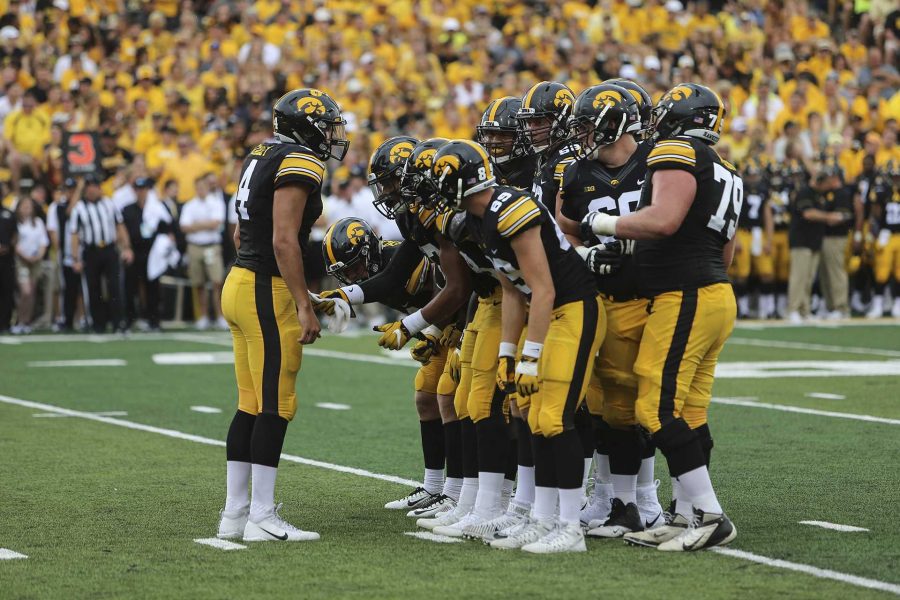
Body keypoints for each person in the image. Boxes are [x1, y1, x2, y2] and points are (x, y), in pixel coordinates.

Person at [584, 83, 740, 551]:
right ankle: (687, 513)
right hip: (714, 294)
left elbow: (664, 220)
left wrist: (602, 225)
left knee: (653, 407)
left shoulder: (677, 151)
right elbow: (726, 250)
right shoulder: (725, 166)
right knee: (688, 410)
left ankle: (710, 515)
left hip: (686, 294)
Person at [429, 139, 603, 553]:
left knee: (554, 416)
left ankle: (569, 526)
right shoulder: (476, 219)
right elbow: (511, 290)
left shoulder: (510, 211)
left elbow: (542, 290)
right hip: (545, 311)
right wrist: (507, 355)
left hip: (572, 309)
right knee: (529, 413)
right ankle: (542, 519)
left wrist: (530, 357)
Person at [216, 88, 348, 543]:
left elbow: (240, 230)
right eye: (328, 124)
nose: (334, 134)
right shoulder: (301, 161)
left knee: (250, 403)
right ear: (307, 125)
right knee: (276, 404)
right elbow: (284, 240)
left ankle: (234, 514)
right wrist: (301, 301)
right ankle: (261, 516)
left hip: (239, 282)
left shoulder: (262, 151)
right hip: (262, 289)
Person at [557, 81, 663, 539]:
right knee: (614, 408)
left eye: (586, 125)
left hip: (659, 296)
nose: (579, 135)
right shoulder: (577, 175)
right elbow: (565, 232)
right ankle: (626, 502)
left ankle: (667, 499)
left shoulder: (660, 161)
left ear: (613, 124)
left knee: (663, 404)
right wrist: (585, 255)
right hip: (608, 298)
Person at [321, 215, 460, 519]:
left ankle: (460, 491)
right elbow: (381, 285)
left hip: (461, 321)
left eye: (356, 266)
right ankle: (434, 487)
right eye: (346, 273)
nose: (354, 275)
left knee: (455, 400)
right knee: (426, 396)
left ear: (369, 249)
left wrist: (430, 331)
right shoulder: (391, 261)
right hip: (438, 326)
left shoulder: (404, 256)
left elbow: (452, 287)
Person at [69, 173, 134, 333]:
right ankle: (99, 324)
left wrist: (127, 248)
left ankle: (119, 322)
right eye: (89, 187)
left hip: (110, 249)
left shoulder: (109, 204)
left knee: (115, 286)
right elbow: (75, 235)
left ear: (99, 188)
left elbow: (120, 226)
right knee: (93, 288)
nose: (92, 190)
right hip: (91, 251)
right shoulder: (79, 208)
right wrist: (75, 257)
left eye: (95, 187)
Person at [787, 165, 848, 322]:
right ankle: (793, 309)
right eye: (827, 183)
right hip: (802, 240)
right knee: (799, 277)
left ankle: (805, 310)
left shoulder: (818, 195)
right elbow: (808, 213)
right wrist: (829, 217)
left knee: (808, 278)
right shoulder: (805, 192)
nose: (829, 186)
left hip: (814, 241)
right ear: (820, 182)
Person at [121, 177, 173, 330]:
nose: (141, 192)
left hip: (152, 253)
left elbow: (167, 227)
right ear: (134, 191)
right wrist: (126, 248)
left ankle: (154, 320)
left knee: (153, 288)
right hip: (134, 251)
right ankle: (130, 320)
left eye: (143, 189)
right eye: (138, 189)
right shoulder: (128, 209)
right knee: (131, 287)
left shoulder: (156, 207)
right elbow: (122, 230)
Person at [180, 173, 227, 330]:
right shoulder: (189, 205)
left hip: (212, 246)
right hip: (195, 246)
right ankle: (204, 316)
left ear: (207, 187)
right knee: (198, 283)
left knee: (216, 282)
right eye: (198, 187)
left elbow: (216, 224)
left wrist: (196, 225)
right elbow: (184, 227)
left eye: (203, 187)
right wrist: (205, 225)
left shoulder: (216, 203)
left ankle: (220, 316)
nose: (200, 190)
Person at [817, 164, 855, 318]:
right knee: (825, 274)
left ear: (835, 177)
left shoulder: (843, 194)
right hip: (825, 236)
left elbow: (842, 217)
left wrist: (825, 218)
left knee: (836, 272)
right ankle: (831, 305)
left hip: (837, 237)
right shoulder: (828, 193)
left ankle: (841, 307)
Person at [46, 178, 83, 331]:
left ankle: (81, 318)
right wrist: (58, 248)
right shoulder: (58, 206)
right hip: (65, 253)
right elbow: (54, 228)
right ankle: (62, 317)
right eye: (68, 189)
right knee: (64, 287)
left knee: (80, 287)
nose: (71, 192)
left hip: (81, 252)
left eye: (73, 189)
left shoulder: (82, 205)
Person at [867, 161, 900, 318]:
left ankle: (898, 303)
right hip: (886, 234)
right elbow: (875, 213)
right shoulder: (882, 191)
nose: (895, 180)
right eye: (893, 177)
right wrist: (877, 231)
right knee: (881, 271)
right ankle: (878, 304)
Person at [13, 197, 49, 333]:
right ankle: (19, 320)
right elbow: (14, 243)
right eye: (24, 205)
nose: (27, 208)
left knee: (32, 292)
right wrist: (26, 257)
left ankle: (27, 322)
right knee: (25, 291)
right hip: (22, 261)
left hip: (36, 260)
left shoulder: (38, 222)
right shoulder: (16, 223)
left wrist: (38, 256)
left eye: (29, 205)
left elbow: (43, 241)